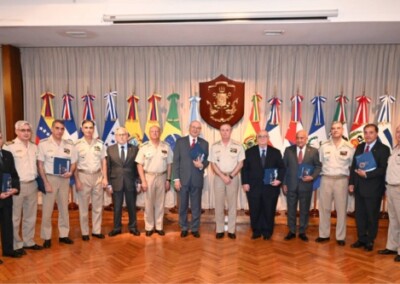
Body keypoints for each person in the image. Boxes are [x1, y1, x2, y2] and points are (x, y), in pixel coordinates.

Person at [349, 123, 390, 251]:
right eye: (366, 132)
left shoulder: (383, 149)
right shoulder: (360, 147)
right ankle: (361, 238)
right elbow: (354, 166)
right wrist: (351, 183)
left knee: (372, 216)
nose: (368, 135)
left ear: (376, 134)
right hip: (359, 187)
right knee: (360, 215)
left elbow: (383, 169)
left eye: (371, 132)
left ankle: (370, 240)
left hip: (374, 188)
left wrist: (367, 174)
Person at [3, 121, 42, 255]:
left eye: (28, 130)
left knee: (30, 216)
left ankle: (28, 241)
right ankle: (16, 244)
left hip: (32, 184)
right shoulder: (9, 147)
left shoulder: (34, 147)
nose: (26, 133)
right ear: (16, 132)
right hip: (17, 187)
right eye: (23, 130)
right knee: (14, 217)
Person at [38, 120, 77, 248]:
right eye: (57, 128)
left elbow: (74, 162)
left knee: (64, 209)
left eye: (61, 129)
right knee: (47, 210)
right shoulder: (44, 144)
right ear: (52, 129)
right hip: (50, 179)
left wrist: (71, 172)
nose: (59, 131)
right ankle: (46, 237)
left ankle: (64, 235)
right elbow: (40, 165)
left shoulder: (69, 145)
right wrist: (45, 183)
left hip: (64, 179)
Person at [315, 121, 354, 246]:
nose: (335, 130)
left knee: (341, 209)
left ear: (342, 130)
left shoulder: (349, 147)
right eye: (333, 128)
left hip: (341, 180)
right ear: (330, 131)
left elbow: (352, 165)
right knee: (324, 208)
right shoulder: (324, 146)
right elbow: (321, 162)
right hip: (326, 179)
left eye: (338, 128)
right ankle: (323, 234)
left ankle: (340, 237)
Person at [241, 130, 285, 240]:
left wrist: (279, 180)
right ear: (257, 138)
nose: (262, 138)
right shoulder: (249, 152)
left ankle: (267, 231)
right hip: (253, 187)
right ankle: (256, 231)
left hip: (270, 187)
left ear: (268, 137)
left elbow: (282, 168)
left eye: (265, 136)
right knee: (255, 209)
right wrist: (245, 182)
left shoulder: (276, 152)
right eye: (260, 136)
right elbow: (245, 169)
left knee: (269, 209)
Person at [282, 130, 321, 242]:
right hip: (291, 185)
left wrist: (312, 177)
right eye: (298, 138)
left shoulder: (313, 151)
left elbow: (318, 166)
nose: (299, 140)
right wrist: (284, 183)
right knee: (291, 209)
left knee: (304, 210)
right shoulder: (288, 150)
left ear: (306, 139)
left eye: (302, 138)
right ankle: (292, 231)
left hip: (306, 185)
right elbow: (284, 168)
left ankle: (303, 231)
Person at [173, 120, 209, 238]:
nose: (195, 129)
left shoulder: (204, 143)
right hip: (182, 180)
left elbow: (207, 160)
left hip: (197, 179)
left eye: (198, 128)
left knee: (196, 206)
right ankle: (183, 227)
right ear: (189, 128)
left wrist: (202, 165)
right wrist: (176, 179)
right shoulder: (180, 142)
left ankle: (194, 228)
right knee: (182, 205)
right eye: (193, 127)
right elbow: (176, 161)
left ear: (200, 130)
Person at [209, 123, 244, 239]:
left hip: (233, 178)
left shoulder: (238, 146)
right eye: (222, 130)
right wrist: (222, 176)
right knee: (218, 204)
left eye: (227, 130)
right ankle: (219, 229)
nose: (225, 132)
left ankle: (231, 230)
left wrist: (231, 176)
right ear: (220, 131)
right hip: (219, 177)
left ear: (231, 131)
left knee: (232, 204)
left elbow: (240, 163)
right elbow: (212, 164)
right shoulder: (214, 146)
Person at [136, 125, 173, 237]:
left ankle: (159, 226)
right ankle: (149, 227)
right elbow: (139, 164)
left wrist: (168, 179)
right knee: (148, 203)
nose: (155, 133)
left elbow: (169, 164)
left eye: (157, 131)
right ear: (149, 133)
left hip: (162, 177)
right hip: (148, 177)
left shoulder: (166, 146)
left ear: (160, 132)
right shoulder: (144, 147)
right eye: (153, 131)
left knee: (160, 203)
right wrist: (143, 181)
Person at [74, 120, 108, 241]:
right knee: (83, 206)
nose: (88, 130)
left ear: (94, 129)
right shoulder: (77, 145)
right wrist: (77, 180)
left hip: (98, 176)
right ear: (82, 129)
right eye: (86, 127)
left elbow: (103, 161)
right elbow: (74, 164)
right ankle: (84, 232)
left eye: (90, 128)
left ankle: (96, 230)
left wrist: (105, 178)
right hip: (83, 176)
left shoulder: (100, 144)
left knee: (98, 206)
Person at [106, 127, 140, 237]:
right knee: (117, 207)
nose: (121, 136)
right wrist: (109, 183)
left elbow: (137, 167)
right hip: (116, 182)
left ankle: (133, 227)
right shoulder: (110, 149)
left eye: (124, 134)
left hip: (130, 182)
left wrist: (138, 182)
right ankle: (116, 228)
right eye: (119, 135)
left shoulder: (134, 149)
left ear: (127, 136)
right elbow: (108, 167)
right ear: (115, 137)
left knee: (131, 206)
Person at [378, 125, 400, 261]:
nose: (399, 134)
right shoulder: (394, 149)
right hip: (391, 188)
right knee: (393, 220)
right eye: (397, 131)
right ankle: (392, 246)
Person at [0, 131, 21, 264]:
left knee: (7, 224)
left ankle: (8, 250)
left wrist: (15, 188)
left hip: (7, 196)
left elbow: (14, 174)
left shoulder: (7, 155)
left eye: (0, 137)